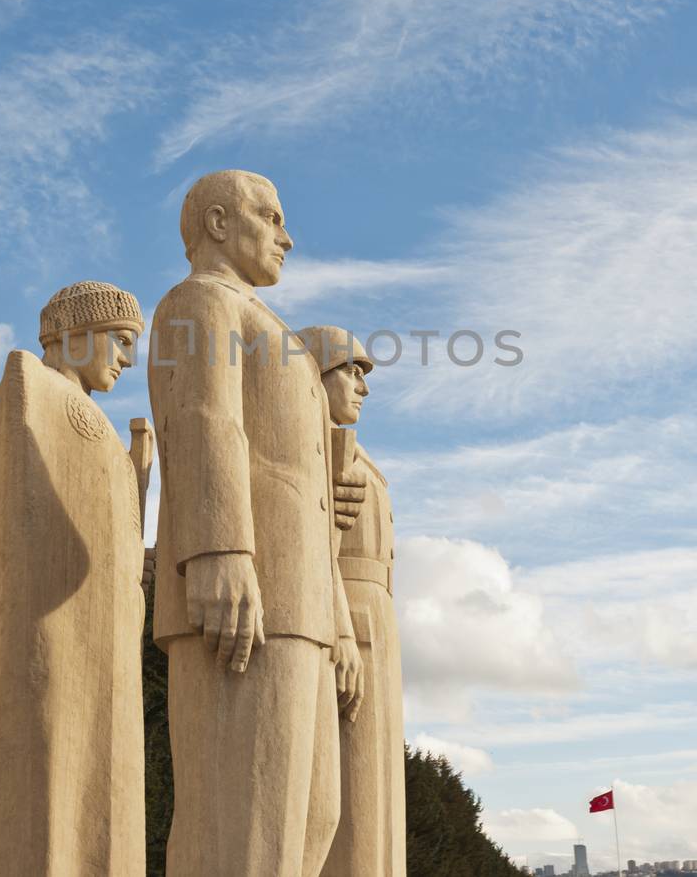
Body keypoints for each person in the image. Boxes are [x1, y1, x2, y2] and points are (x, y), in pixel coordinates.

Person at [149, 170, 362, 876]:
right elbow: (204, 421)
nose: (287, 235)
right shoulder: (197, 302)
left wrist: (335, 617)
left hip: (298, 599)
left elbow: (308, 489)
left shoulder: (273, 331)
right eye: (271, 217)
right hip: (244, 588)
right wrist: (218, 547)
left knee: (310, 815)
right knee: (244, 824)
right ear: (217, 222)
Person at [0, 282, 147, 877]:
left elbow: (92, 527)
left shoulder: (86, 417)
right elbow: (31, 518)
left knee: (97, 783)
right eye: (122, 341)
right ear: (74, 332)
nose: (128, 360)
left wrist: (133, 548)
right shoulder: (34, 391)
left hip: (99, 640)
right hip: (54, 631)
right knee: (47, 778)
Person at [298, 325, 406, 877]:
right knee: (352, 788)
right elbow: (308, 544)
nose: (363, 386)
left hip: (375, 618)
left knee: (380, 782)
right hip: (344, 615)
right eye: (352, 370)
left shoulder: (352, 451)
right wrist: (338, 622)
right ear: (313, 373)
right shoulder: (309, 449)